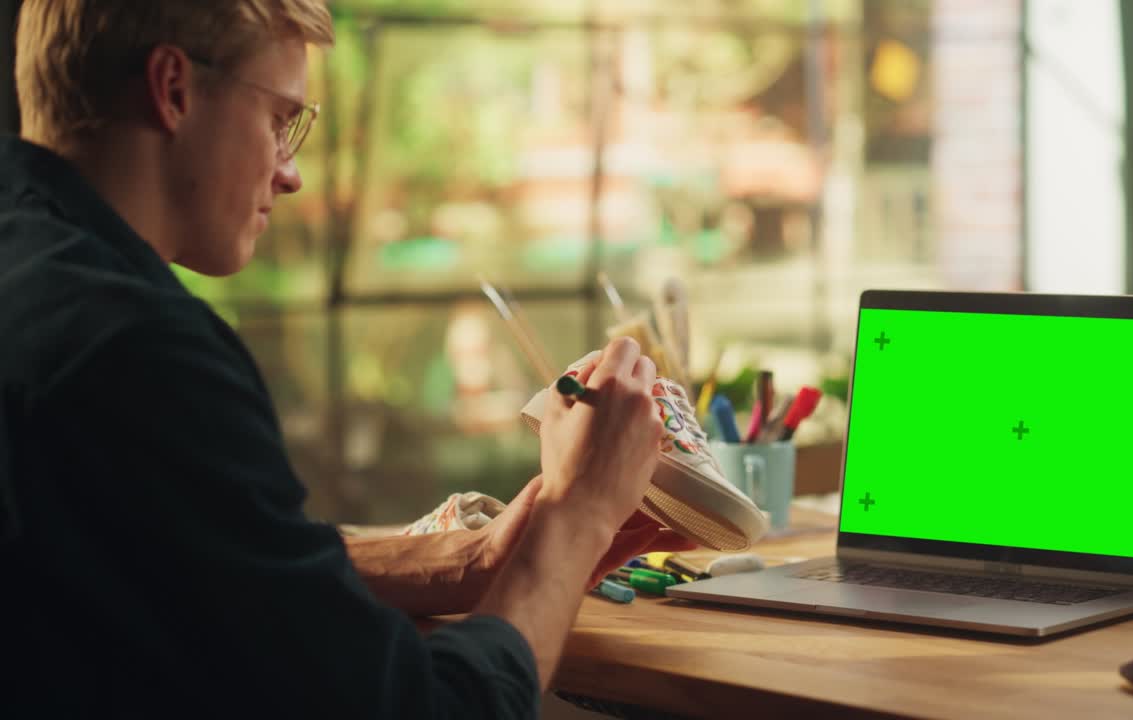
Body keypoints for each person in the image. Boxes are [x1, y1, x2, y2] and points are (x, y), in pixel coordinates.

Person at [0, 1, 692, 717]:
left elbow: (196, 562)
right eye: (280, 120)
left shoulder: (34, 283)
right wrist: (577, 516)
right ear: (173, 88)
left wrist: (472, 560)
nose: (291, 173)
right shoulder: (136, 351)